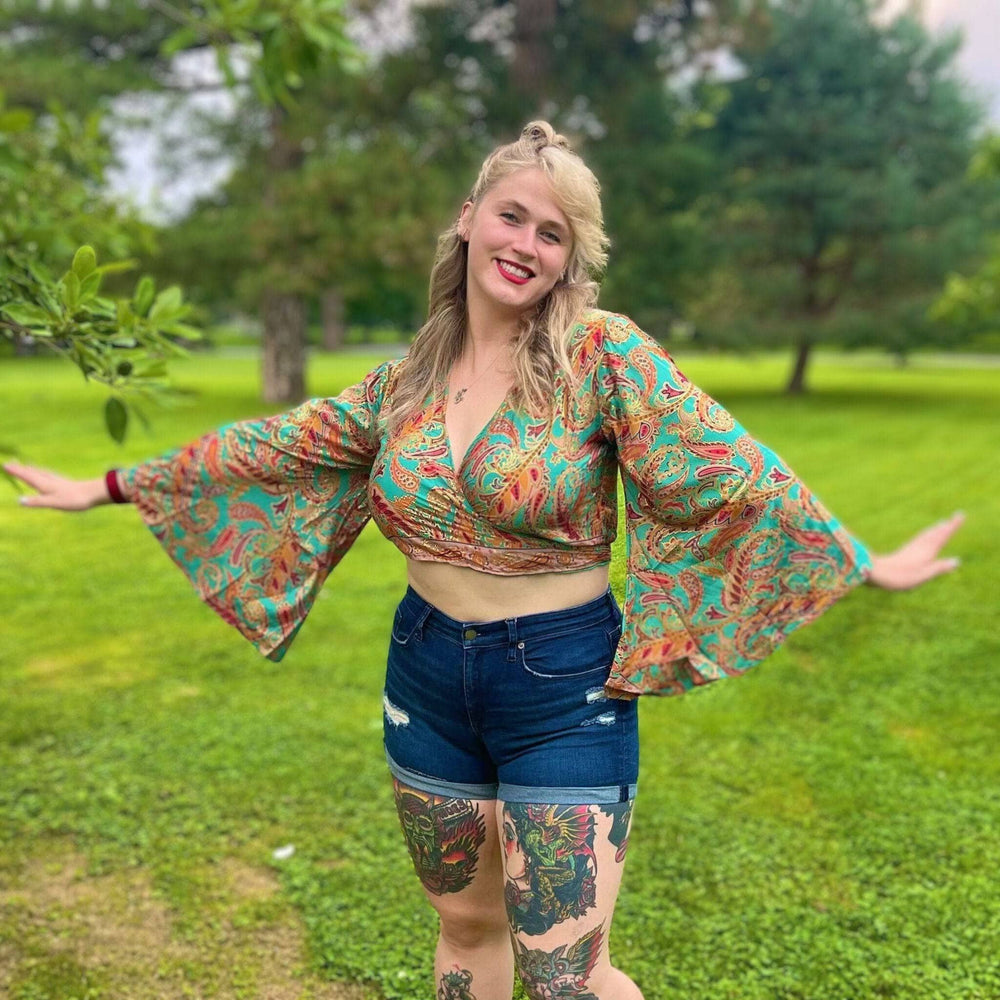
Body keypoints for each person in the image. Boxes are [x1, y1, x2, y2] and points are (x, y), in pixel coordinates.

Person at [5, 122, 962, 1000]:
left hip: (565, 683)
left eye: (553, 234)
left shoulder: (600, 356)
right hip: (426, 672)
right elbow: (280, 445)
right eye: (513, 216)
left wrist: (862, 561)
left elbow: (724, 465)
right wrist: (113, 484)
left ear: (567, 259)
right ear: (469, 221)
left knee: (570, 977)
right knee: (467, 932)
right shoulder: (407, 378)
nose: (527, 244)